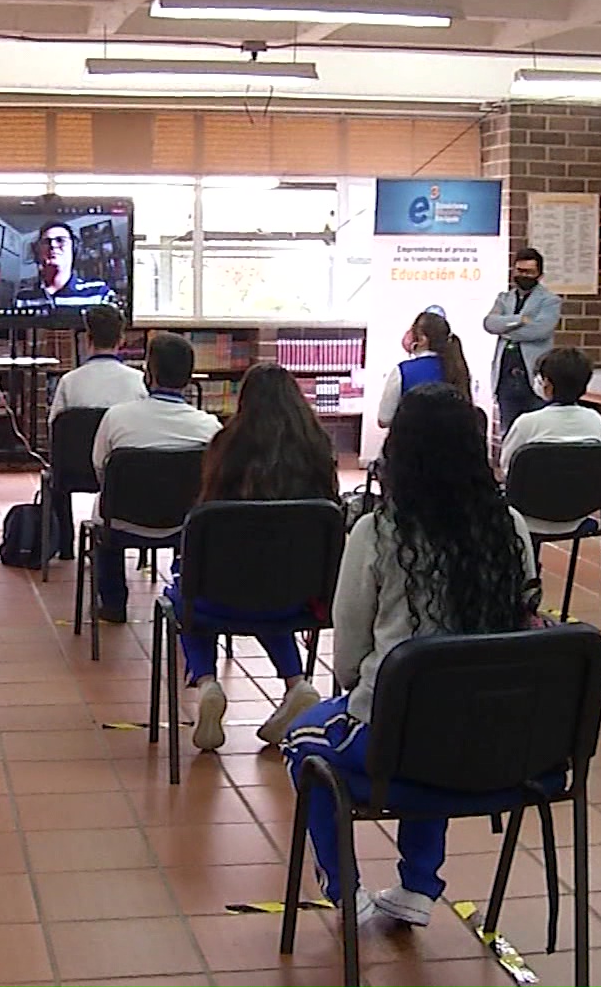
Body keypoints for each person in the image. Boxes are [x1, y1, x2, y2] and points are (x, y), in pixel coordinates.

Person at [282, 382, 539, 926]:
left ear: (399, 453)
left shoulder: (377, 533)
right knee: (444, 704)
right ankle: (420, 883)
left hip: (400, 726)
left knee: (304, 742)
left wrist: (362, 686)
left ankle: (345, 890)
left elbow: (348, 656)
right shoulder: (511, 529)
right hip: (501, 739)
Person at [167, 362, 338, 752]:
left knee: (187, 589)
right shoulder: (319, 449)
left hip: (219, 598)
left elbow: (203, 519)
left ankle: (207, 682)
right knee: (268, 582)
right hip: (297, 599)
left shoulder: (226, 445)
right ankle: (296, 682)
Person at [88, 332, 221, 623]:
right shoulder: (209, 426)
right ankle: (183, 590)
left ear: (149, 374)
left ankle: (113, 603)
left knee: (102, 524)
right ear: (189, 378)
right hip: (184, 525)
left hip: (122, 523)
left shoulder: (116, 417)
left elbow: (100, 469)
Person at [47, 304, 147, 559]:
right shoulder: (139, 381)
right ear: (122, 339)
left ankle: (67, 546)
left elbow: (54, 426)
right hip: (125, 473)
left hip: (74, 472)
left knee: (53, 476)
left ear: (86, 339)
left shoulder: (69, 381)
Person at [501, 347, 601, 535]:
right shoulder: (596, 420)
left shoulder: (527, 422)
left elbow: (507, 467)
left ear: (547, 385)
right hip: (580, 513)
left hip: (527, 516)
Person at [483, 247, 564, 438]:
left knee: (538, 433)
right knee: (509, 433)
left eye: (529, 272)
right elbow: (489, 323)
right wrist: (520, 320)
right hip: (506, 378)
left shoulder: (550, 301)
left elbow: (540, 330)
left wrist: (506, 330)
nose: (523, 275)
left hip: (533, 380)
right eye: (519, 271)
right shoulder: (504, 298)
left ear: (540, 275)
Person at [378, 309, 472, 427]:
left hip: (411, 442)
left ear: (422, 339)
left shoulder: (403, 371)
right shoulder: (458, 369)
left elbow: (384, 419)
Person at [13, 219, 116, 309]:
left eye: (60, 240)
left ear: (74, 249)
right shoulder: (24, 297)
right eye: (46, 242)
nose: (53, 245)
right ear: (38, 252)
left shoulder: (99, 292)